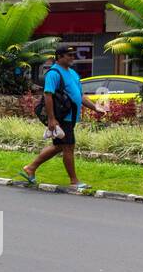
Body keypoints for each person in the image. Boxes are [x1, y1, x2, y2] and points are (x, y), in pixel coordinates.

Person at [21, 45, 91, 190]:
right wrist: (52, 119)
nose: (72, 57)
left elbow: (81, 95)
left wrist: (95, 107)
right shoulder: (53, 73)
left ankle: (31, 167)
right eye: (69, 55)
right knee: (68, 147)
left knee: (58, 146)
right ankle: (74, 181)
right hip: (62, 117)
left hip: (70, 117)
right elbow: (48, 95)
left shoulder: (72, 73)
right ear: (59, 57)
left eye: (73, 55)